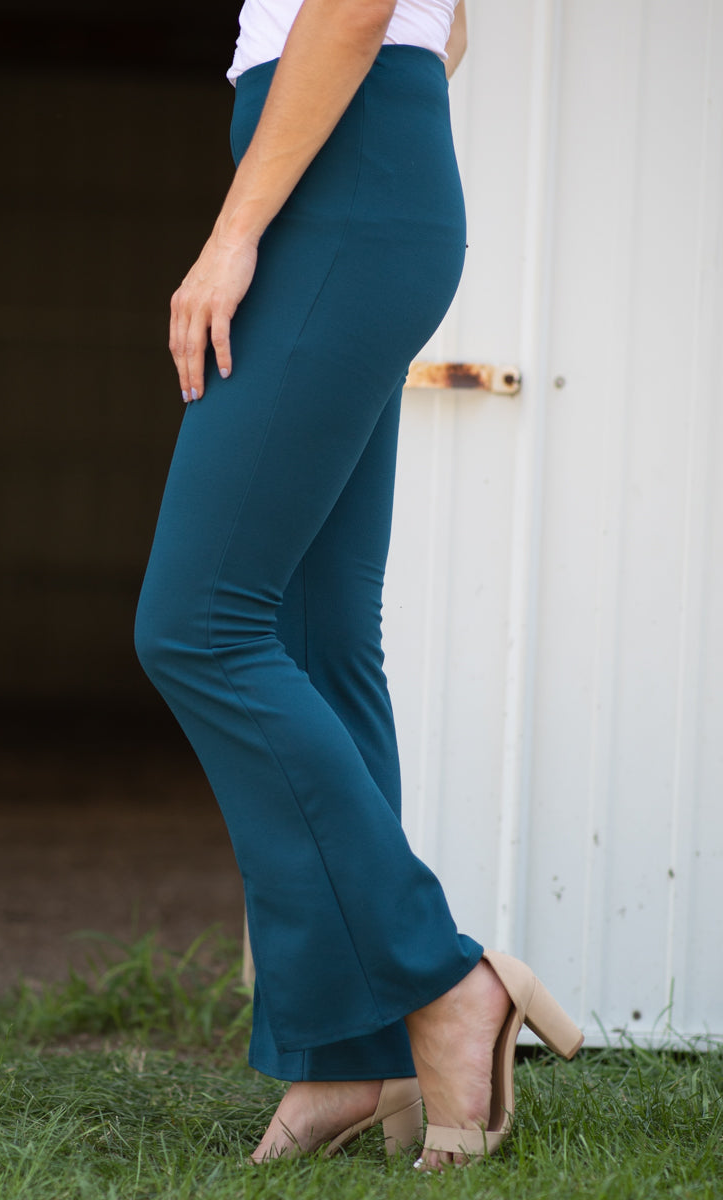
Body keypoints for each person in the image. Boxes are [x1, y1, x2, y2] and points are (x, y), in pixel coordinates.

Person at [135, 0, 583, 1169]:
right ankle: (349, 1055)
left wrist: (233, 233)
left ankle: (443, 979)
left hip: (339, 184)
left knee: (197, 624)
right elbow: (447, 30)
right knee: (315, 633)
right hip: (358, 171)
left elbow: (355, 8)